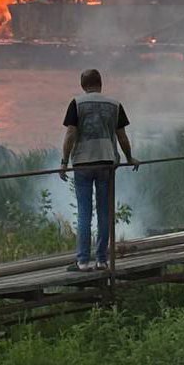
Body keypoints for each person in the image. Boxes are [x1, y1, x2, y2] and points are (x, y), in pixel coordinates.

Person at [59, 68, 139, 271]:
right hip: (107, 162)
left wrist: (64, 162)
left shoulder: (77, 103)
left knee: (84, 212)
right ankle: (102, 259)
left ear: (82, 85)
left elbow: (70, 135)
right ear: (101, 83)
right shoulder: (114, 104)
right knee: (105, 212)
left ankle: (83, 261)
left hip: (83, 162)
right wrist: (130, 157)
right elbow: (122, 137)